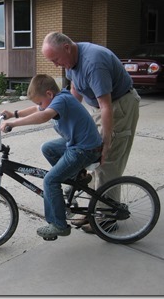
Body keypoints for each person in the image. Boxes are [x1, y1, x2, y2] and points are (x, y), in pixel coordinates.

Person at [42, 32, 141, 233]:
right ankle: (93, 211)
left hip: (118, 106)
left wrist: (105, 143)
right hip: (101, 108)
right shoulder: (71, 63)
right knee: (93, 162)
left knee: (107, 163)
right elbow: (74, 97)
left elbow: (106, 106)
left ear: (67, 48)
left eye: (56, 59)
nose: (55, 65)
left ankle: (106, 220)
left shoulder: (93, 62)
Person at [0, 74, 102, 239]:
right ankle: (78, 177)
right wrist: (14, 114)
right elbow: (37, 110)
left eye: (40, 102)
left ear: (49, 94)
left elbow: (43, 116)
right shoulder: (56, 98)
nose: (39, 106)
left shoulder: (61, 100)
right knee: (48, 148)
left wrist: (13, 124)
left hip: (85, 149)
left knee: (50, 180)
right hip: (78, 144)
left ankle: (59, 225)